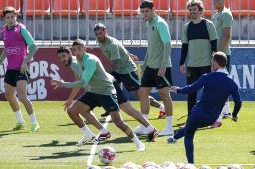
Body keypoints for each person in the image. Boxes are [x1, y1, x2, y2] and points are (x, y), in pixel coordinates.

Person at [51, 39, 146, 151]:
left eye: (79, 49)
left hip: (106, 91)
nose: (77, 52)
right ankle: (90, 134)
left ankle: (138, 143)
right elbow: (80, 79)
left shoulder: (89, 61)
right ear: (73, 52)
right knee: (72, 111)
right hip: (94, 91)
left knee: (118, 122)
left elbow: (82, 82)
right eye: (75, 50)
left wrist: (63, 84)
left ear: (84, 49)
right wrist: (71, 98)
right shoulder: (77, 61)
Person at [167, 52, 242, 164]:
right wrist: (234, 115)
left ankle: (191, 164)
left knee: (189, 135)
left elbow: (191, 89)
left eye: (212, 62)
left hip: (198, 113)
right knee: (192, 127)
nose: (211, 64)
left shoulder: (207, 77)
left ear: (216, 63)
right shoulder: (232, 82)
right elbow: (239, 102)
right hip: (211, 119)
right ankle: (173, 138)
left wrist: (177, 89)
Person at [93, 23, 166, 120]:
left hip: (127, 70)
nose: (99, 36)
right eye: (97, 34)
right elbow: (121, 47)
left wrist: (103, 72)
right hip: (118, 70)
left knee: (140, 94)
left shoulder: (112, 44)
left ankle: (162, 108)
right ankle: (111, 108)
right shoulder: (100, 41)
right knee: (108, 86)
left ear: (105, 31)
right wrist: (129, 54)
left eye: (100, 33)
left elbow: (114, 63)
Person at [0, 6, 39, 132]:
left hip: (22, 68)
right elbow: (6, 49)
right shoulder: (3, 31)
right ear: (4, 19)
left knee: (23, 97)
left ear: (16, 17)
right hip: (11, 68)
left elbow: (34, 47)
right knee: (9, 95)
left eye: (12, 16)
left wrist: (26, 62)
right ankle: (20, 122)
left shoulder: (21, 30)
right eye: (8, 17)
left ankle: (34, 123)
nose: (10, 19)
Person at [56, 46, 112, 146]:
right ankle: (102, 132)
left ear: (70, 54)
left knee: (72, 110)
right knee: (82, 110)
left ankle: (146, 130)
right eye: (59, 57)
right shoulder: (74, 62)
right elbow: (79, 79)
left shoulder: (74, 63)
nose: (62, 59)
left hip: (102, 88)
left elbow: (79, 83)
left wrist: (70, 99)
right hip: (101, 87)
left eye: (63, 56)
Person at [138, 0, 174, 136]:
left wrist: (163, 66)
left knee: (165, 95)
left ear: (153, 10)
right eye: (142, 12)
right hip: (151, 66)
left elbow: (168, 44)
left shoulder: (160, 23)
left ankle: (169, 127)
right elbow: (151, 47)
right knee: (142, 93)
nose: (145, 14)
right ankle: (145, 126)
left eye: (147, 11)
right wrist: (145, 64)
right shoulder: (148, 24)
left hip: (161, 66)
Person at [179, 0, 217, 121]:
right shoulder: (186, 27)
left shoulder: (208, 24)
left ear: (200, 11)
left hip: (206, 64)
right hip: (192, 65)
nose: (192, 12)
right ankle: (191, 119)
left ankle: (210, 117)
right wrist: (181, 63)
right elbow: (184, 46)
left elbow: (214, 45)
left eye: (194, 9)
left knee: (208, 92)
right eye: (190, 10)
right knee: (191, 93)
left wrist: (213, 62)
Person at [212, 0, 234, 127]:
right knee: (221, 82)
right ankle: (226, 111)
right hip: (218, 53)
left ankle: (224, 112)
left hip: (223, 54)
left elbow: (227, 35)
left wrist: (219, 53)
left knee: (222, 82)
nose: (216, 2)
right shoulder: (216, 15)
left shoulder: (226, 14)